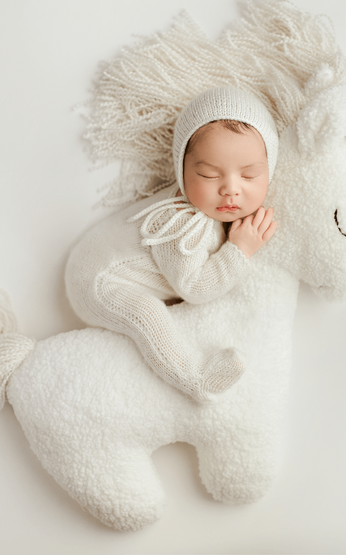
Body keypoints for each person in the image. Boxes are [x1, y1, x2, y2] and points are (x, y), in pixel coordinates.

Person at [66, 86, 278, 402]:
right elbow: (194, 288)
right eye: (208, 175)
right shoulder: (181, 224)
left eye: (249, 175)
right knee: (147, 313)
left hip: (106, 265)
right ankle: (196, 381)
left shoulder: (214, 211)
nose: (231, 190)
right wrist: (239, 251)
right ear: (181, 170)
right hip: (98, 280)